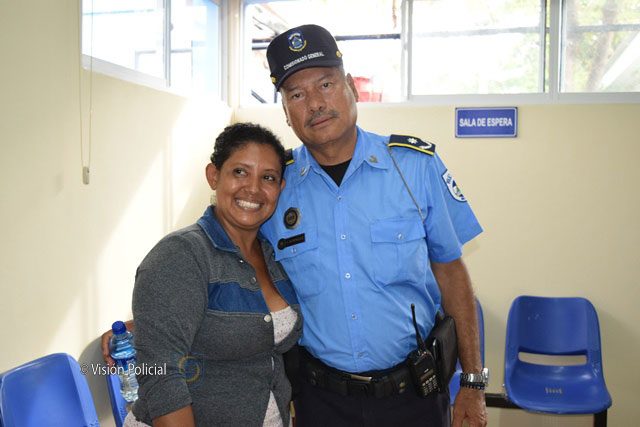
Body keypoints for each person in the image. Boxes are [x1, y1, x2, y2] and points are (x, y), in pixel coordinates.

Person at [259, 24, 488, 427]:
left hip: (414, 396)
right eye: (296, 94)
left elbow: (451, 271)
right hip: (320, 401)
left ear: (351, 87)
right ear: (286, 112)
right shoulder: (276, 186)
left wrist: (472, 381)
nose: (315, 103)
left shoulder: (414, 167)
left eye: (326, 84)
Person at [110, 123, 302, 426]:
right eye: (240, 171)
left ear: (280, 187)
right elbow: (161, 374)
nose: (253, 188)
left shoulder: (272, 255)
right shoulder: (181, 254)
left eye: (268, 177)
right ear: (214, 176)